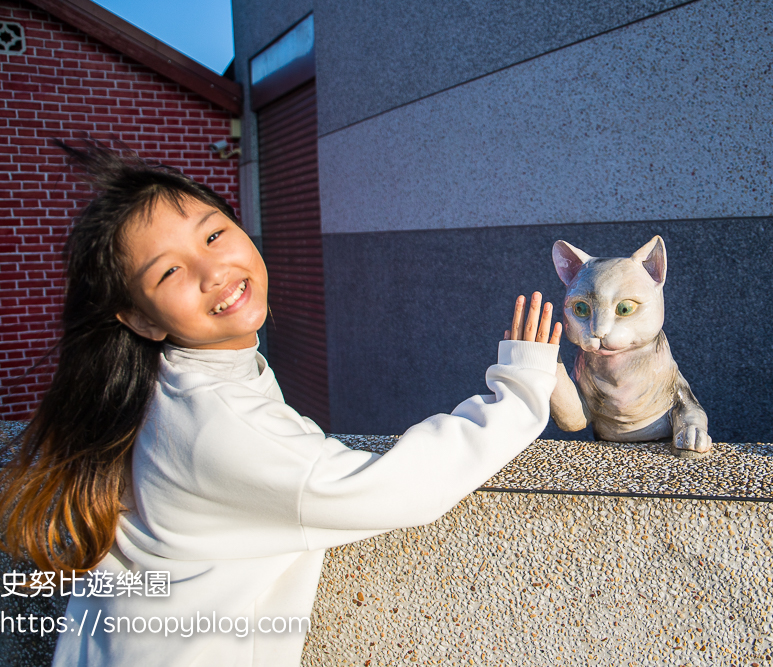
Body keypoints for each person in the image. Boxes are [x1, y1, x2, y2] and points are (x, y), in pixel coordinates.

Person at [0, 140, 562, 666]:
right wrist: (521, 389)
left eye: (213, 235)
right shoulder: (216, 425)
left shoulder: (151, 386)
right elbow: (391, 489)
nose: (211, 270)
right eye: (169, 271)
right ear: (141, 319)